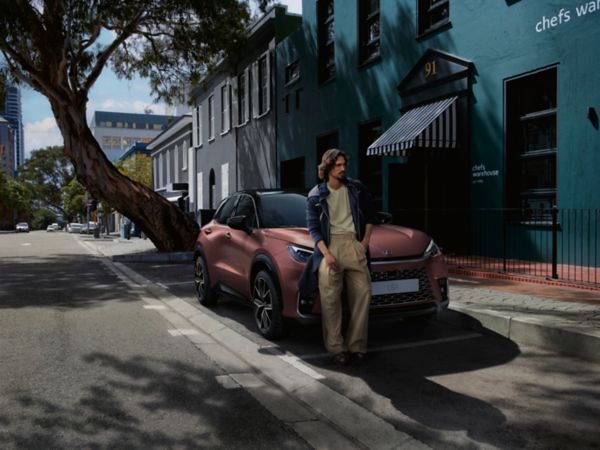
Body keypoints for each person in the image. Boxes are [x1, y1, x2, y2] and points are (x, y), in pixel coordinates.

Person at [301, 148, 375, 365]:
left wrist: (363, 245)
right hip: (329, 247)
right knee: (330, 301)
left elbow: (371, 217)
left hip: (353, 244)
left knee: (363, 294)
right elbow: (313, 229)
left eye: (344, 164)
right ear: (328, 167)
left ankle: (357, 345)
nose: (343, 168)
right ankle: (336, 348)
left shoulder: (356, 188)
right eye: (338, 165)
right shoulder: (315, 195)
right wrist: (327, 254)